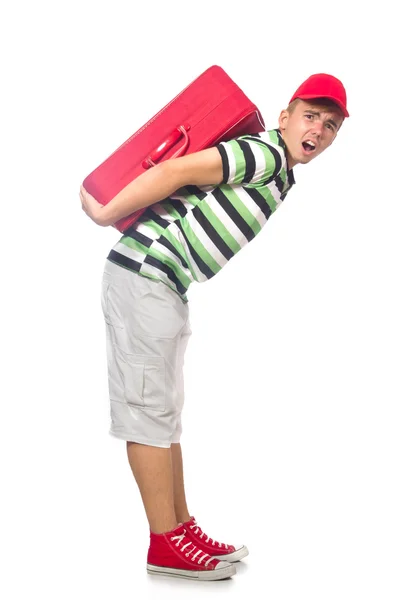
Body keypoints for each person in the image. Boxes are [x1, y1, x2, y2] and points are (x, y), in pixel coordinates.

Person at [80, 72, 349, 581]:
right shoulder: (264, 155)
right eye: (311, 116)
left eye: (331, 125)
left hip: (166, 285)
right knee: (148, 413)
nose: (319, 130)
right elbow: (178, 170)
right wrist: (106, 214)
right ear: (285, 117)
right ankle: (165, 543)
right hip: (145, 275)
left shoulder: (280, 172)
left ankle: (180, 527)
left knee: (164, 413)